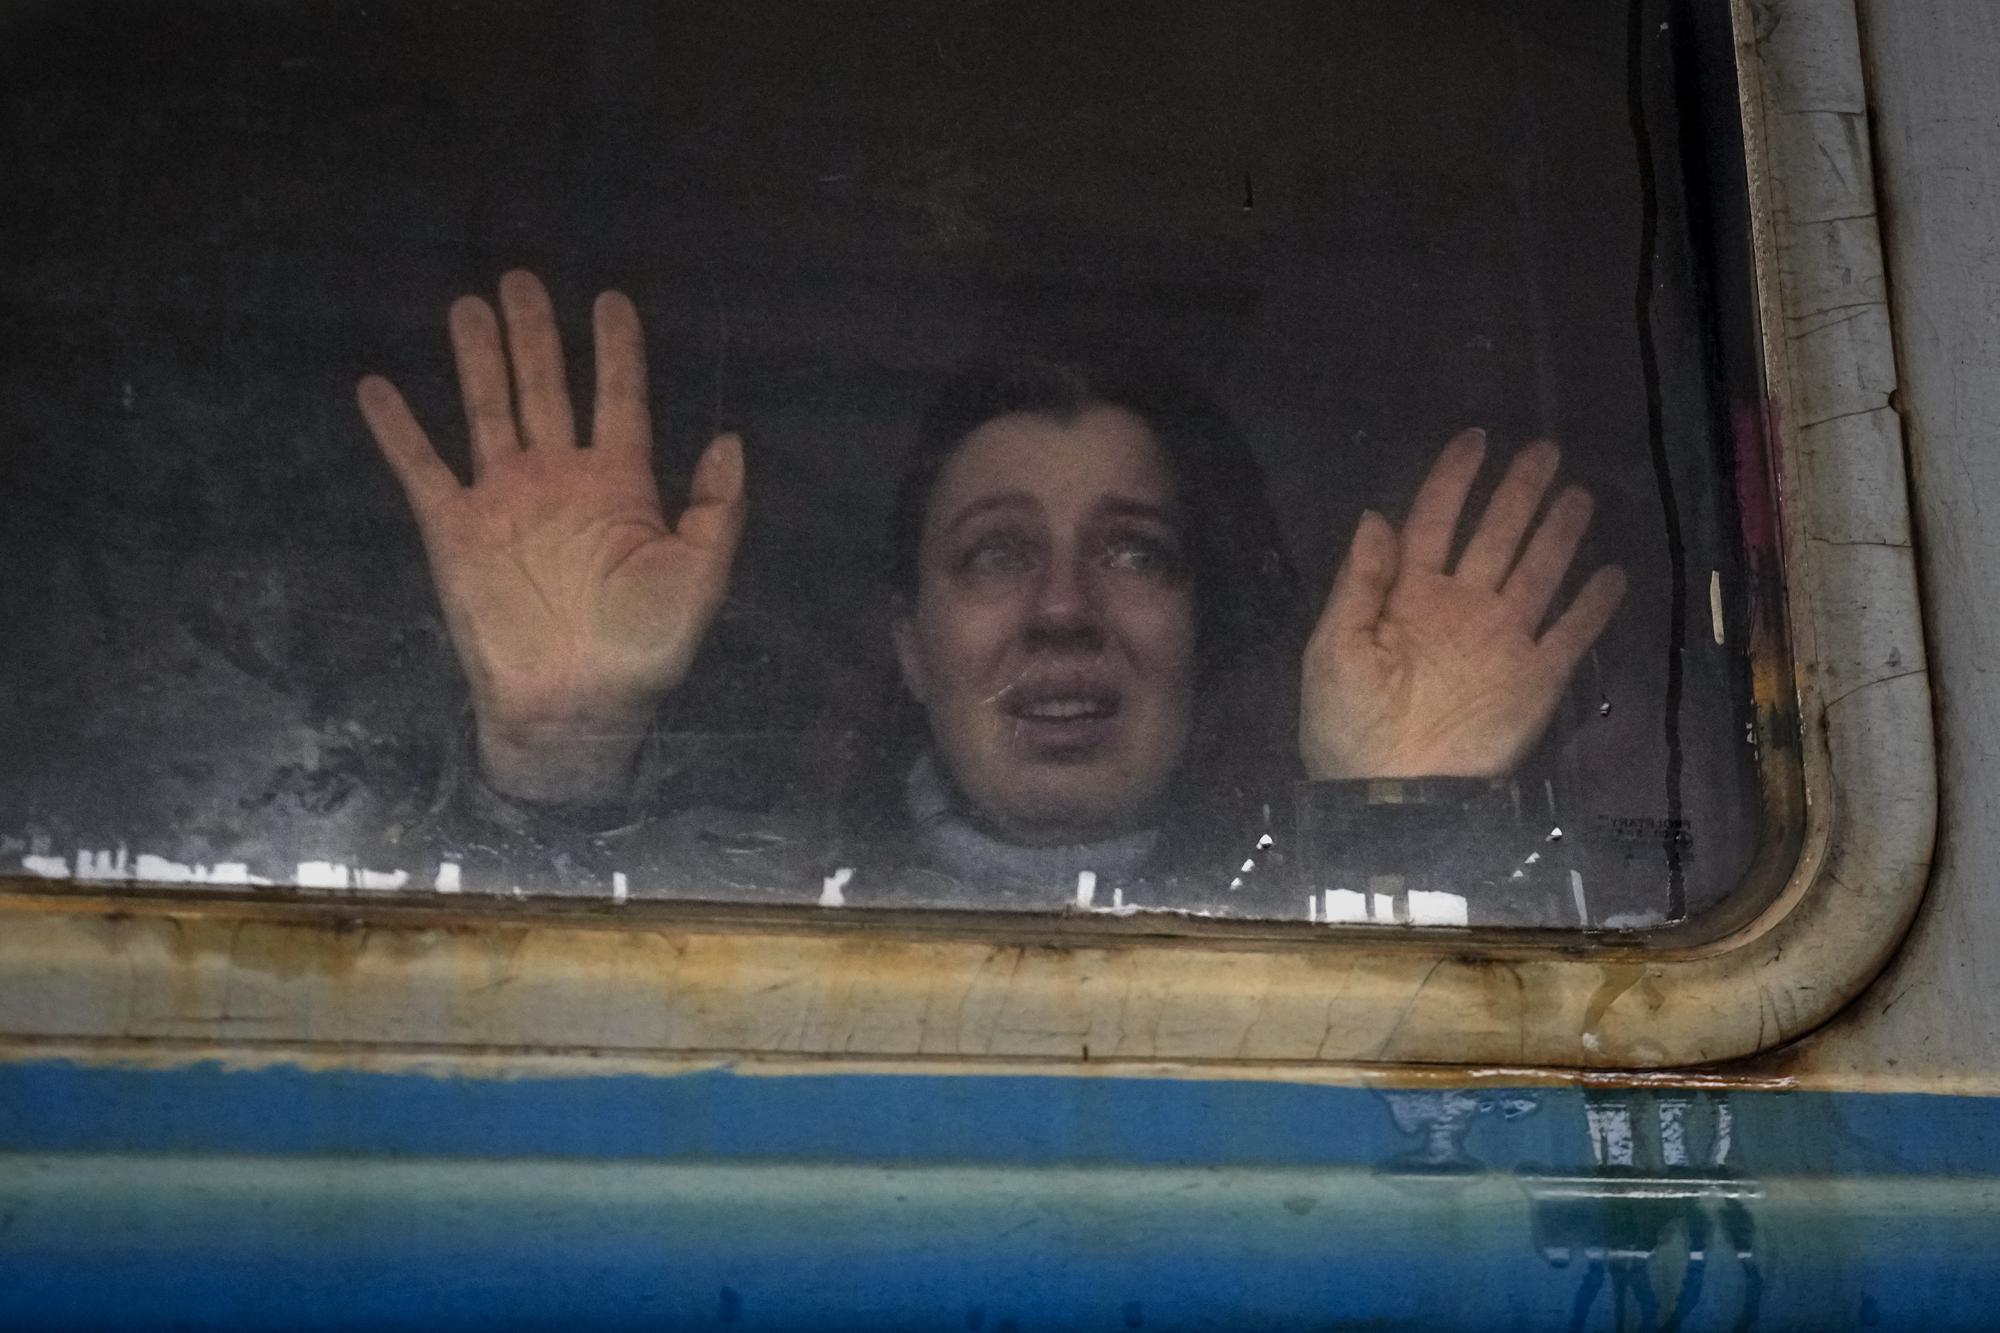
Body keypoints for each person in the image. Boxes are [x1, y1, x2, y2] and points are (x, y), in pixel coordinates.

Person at [358, 271, 1626, 920]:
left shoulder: (1289, 898)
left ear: (1207, 625)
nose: (1063, 608)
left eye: (1136, 552)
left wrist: (1391, 824)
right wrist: (553, 752)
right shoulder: (752, 908)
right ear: (909, 643)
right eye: (993, 553)